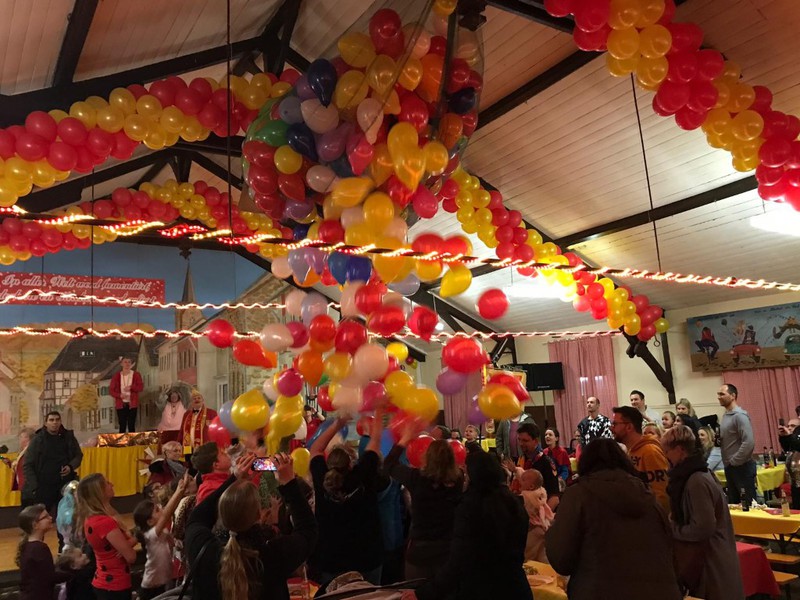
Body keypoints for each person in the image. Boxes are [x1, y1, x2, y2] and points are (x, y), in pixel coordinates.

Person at [546, 439, 682, 600]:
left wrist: (551, 532)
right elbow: (670, 550)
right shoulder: (649, 498)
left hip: (600, 592)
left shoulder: (578, 496)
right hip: (659, 591)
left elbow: (561, 559)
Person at [185, 452, 317, 600]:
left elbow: (197, 517)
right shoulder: (273, 554)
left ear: (219, 511)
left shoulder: (202, 548)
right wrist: (289, 483)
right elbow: (308, 530)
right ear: (258, 515)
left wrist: (234, 479)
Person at [402, 451, 532, 600]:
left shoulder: (471, 507)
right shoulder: (514, 502)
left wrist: (424, 593)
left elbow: (459, 561)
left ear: (473, 475)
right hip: (516, 587)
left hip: (483, 590)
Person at [661, 426, 744, 599]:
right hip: (710, 556)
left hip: (711, 560)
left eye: (667, 451)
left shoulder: (696, 480)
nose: (665, 456)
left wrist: (673, 528)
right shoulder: (698, 474)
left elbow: (703, 528)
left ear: (680, 450)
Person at [309, 415, 384, 587]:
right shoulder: (363, 475)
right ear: (350, 464)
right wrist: (379, 411)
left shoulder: (322, 479)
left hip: (331, 560)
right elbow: (375, 441)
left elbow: (316, 449)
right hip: (367, 559)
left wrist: (337, 424)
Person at [384, 419, 463, 581]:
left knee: (416, 589)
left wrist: (404, 440)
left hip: (421, 547)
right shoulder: (458, 479)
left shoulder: (417, 478)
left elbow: (389, 464)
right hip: (448, 546)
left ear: (426, 456)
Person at [22, 411, 83, 548]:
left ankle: (65, 548)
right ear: (46, 423)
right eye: (51, 420)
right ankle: (35, 548)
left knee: (66, 518)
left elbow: (78, 456)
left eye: (57, 419)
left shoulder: (68, 437)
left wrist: (70, 466)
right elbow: (28, 465)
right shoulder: (38, 440)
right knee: (39, 521)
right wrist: (34, 487)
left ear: (60, 421)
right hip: (44, 485)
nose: (54, 422)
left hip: (64, 485)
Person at [77, 473, 137, 599]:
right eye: (107, 483)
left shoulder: (91, 518)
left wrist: (130, 542)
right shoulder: (105, 522)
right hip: (115, 584)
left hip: (104, 581)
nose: (112, 485)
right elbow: (131, 556)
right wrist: (133, 541)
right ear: (99, 492)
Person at [133, 473, 191, 599]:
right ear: (150, 521)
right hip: (151, 584)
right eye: (157, 510)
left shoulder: (161, 532)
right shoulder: (151, 535)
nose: (161, 509)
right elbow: (166, 514)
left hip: (163, 580)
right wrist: (180, 490)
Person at [611, 406, 670, 514]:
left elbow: (662, 494)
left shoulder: (650, 451)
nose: (611, 428)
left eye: (615, 424)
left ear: (629, 427)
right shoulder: (631, 451)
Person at [17, 503, 71, 600]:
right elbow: (50, 577)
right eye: (45, 517)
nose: (50, 518)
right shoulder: (39, 548)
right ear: (35, 525)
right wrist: (74, 573)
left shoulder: (28, 545)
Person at [717, 383, 756, 505]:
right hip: (730, 467)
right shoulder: (726, 416)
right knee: (734, 504)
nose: (719, 397)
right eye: (718, 394)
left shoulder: (740, 416)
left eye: (722, 394)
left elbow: (749, 442)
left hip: (741, 467)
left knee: (747, 505)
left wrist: (735, 461)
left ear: (733, 396)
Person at [514, 422, 560, 509]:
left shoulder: (546, 462)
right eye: (519, 440)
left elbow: (554, 498)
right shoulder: (521, 459)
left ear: (535, 441)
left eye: (525, 441)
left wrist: (543, 516)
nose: (521, 444)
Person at [519, 469, 553, 563]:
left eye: (523, 480)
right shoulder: (540, 493)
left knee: (528, 555)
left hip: (532, 528)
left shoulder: (526, 496)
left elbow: (524, 512)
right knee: (542, 554)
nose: (520, 481)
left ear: (531, 486)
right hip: (543, 526)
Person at [109, 357, 143, 434]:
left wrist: (131, 387)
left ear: (131, 364)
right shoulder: (116, 376)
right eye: (125, 362)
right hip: (121, 404)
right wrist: (120, 395)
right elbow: (111, 391)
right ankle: (122, 440)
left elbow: (140, 387)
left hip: (132, 404)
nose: (127, 364)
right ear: (121, 364)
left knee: (131, 425)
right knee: (122, 425)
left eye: (129, 362)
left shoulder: (136, 375)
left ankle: (132, 440)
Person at [8, 427, 35, 492]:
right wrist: (10, 463)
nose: (20, 439)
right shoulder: (22, 452)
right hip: (23, 485)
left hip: (28, 485)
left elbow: (26, 466)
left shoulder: (30, 452)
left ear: (28, 438)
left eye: (21, 437)